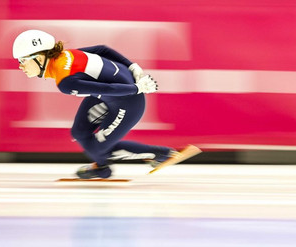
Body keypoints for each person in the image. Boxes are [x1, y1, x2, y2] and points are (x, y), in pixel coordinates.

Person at [12, 29, 178, 179]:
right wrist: (131, 65)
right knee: (79, 132)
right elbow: (102, 50)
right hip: (113, 93)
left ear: (40, 58)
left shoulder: (66, 82)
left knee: (98, 148)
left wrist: (136, 88)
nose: (20, 66)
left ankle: (161, 154)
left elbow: (108, 88)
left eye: (22, 60)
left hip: (128, 101)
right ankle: (101, 167)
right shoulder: (65, 56)